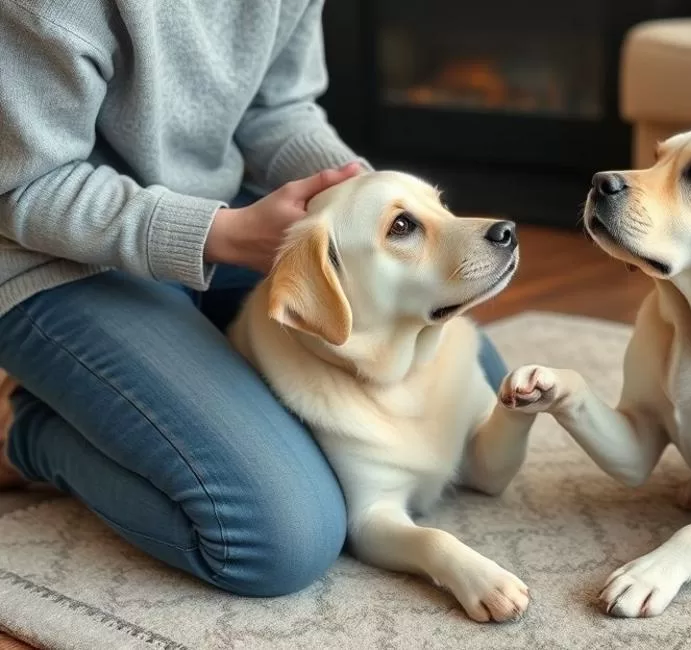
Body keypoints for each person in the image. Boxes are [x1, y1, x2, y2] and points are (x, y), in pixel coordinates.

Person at [0, 0, 508, 597]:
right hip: (52, 259)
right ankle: (28, 430)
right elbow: (21, 186)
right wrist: (223, 235)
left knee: (480, 387)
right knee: (279, 540)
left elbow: (279, 110)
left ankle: (122, 392)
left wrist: (370, 210)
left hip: (225, 215)